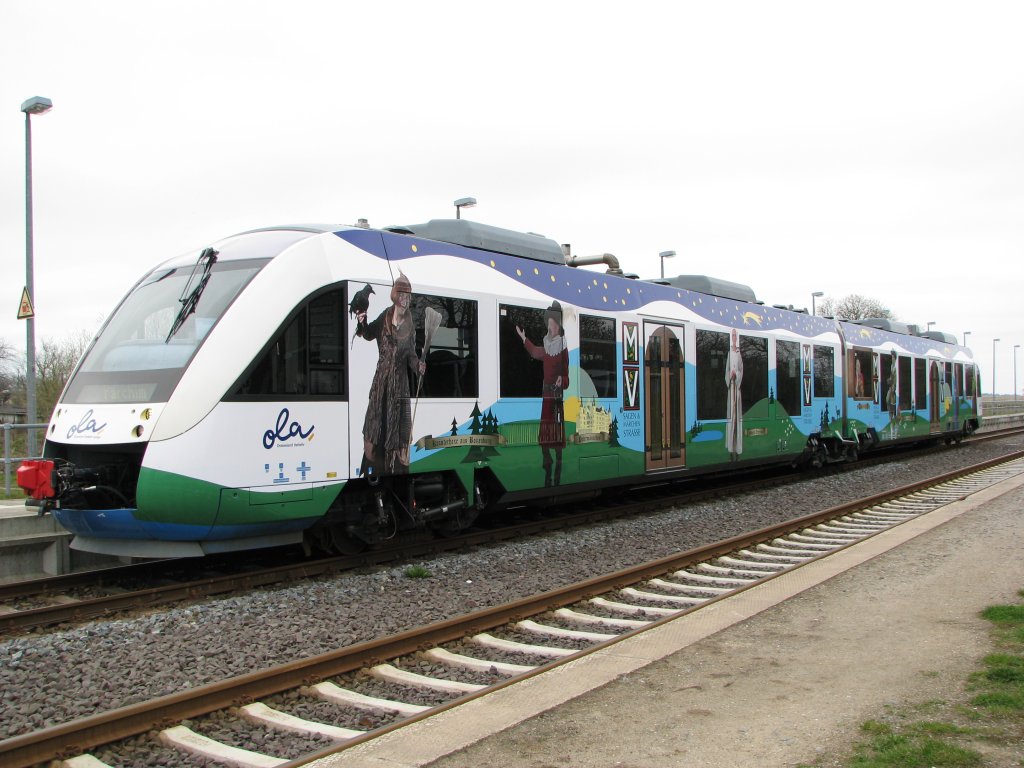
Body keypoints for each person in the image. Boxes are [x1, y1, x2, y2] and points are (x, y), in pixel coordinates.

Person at [355, 274, 426, 475]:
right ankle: (372, 468)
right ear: (395, 296)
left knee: (398, 439)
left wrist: (418, 365)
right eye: (403, 295)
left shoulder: (410, 326)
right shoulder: (385, 317)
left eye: (408, 297)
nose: (406, 300)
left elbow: (411, 355)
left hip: (399, 389)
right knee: (372, 432)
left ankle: (393, 473)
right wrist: (362, 321)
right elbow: (368, 334)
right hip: (380, 386)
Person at [516, 301, 569, 486]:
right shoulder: (547, 346)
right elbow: (535, 352)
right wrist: (524, 338)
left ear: (558, 326)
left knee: (556, 441)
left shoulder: (562, 347)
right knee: (545, 440)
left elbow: (567, 374)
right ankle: (548, 469)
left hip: (556, 399)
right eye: (549, 325)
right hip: (546, 399)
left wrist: (562, 378)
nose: (551, 327)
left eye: (553, 324)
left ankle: (558, 471)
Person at [725, 328, 743, 461]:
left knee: (737, 418)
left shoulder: (739, 353)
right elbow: (726, 370)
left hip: (737, 388)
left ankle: (737, 447)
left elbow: (742, 370)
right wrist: (730, 377)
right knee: (731, 417)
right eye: (732, 335)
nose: (734, 337)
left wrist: (736, 376)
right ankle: (730, 447)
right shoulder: (729, 352)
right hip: (731, 388)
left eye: (736, 334)